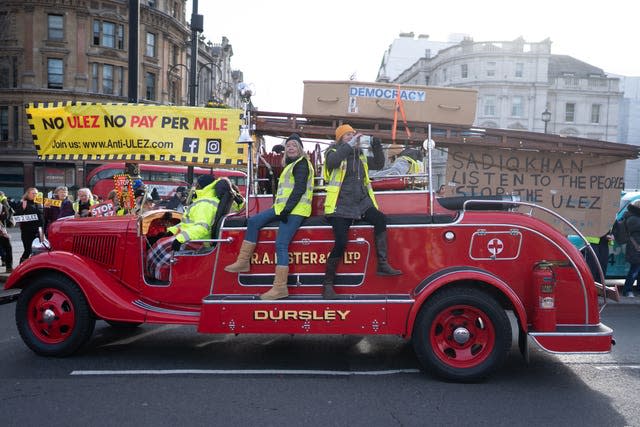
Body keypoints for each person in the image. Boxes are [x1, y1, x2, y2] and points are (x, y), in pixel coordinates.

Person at [225, 133, 314, 300]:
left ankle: (280, 288)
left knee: (281, 244)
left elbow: (299, 189)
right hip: (282, 208)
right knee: (253, 222)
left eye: (294, 145)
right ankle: (243, 262)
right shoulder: (292, 164)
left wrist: (287, 210)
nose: (290, 148)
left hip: (295, 210)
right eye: (288, 146)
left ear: (300, 148)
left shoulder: (301, 164)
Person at [321, 124, 402, 299]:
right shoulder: (332, 152)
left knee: (380, 219)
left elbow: (379, 164)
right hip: (340, 204)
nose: (352, 137)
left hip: (361, 203)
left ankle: (382, 264)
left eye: (353, 134)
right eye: (347, 135)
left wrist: (377, 145)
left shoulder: (360, 154)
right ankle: (327, 285)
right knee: (341, 242)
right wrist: (349, 145)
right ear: (340, 139)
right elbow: (332, 163)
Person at [147, 174, 244, 281]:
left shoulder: (204, 203)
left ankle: (159, 277)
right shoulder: (206, 200)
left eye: (196, 184)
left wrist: (180, 239)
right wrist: (170, 231)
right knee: (161, 241)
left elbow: (201, 228)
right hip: (195, 236)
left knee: (160, 247)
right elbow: (188, 224)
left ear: (201, 185)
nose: (194, 186)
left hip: (199, 241)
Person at [15, 187, 44, 263]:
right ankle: (21, 267)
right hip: (27, 231)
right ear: (28, 194)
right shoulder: (23, 203)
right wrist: (22, 210)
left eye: (36, 193)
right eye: (33, 193)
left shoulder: (40, 203)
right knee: (28, 250)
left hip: (39, 231)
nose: (35, 195)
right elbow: (16, 217)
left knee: (38, 251)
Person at [621, 199, 640, 297]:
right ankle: (627, 290)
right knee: (634, 270)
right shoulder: (634, 218)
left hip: (635, 247)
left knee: (637, 269)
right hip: (636, 248)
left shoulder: (633, 216)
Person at [0, 191, 14, 273]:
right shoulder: (2, 204)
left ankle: (8, 267)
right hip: (2, 230)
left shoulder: (3, 205)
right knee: (8, 247)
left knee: (7, 247)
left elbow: (7, 215)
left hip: (2, 229)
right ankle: (8, 267)